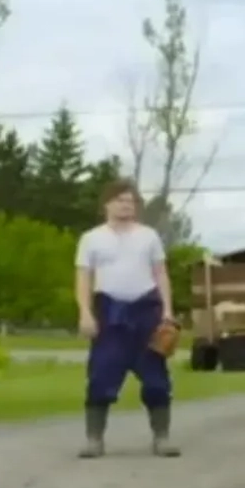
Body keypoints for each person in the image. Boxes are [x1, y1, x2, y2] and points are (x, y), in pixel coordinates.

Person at [74, 179, 181, 459]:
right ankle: (94, 439)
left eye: (130, 201)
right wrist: (85, 312)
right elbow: (83, 278)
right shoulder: (91, 238)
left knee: (156, 378)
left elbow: (160, 273)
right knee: (101, 375)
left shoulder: (149, 236)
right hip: (109, 311)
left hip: (146, 309)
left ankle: (162, 438)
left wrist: (167, 310)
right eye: (120, 199)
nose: (125, 205)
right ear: (106, 204)